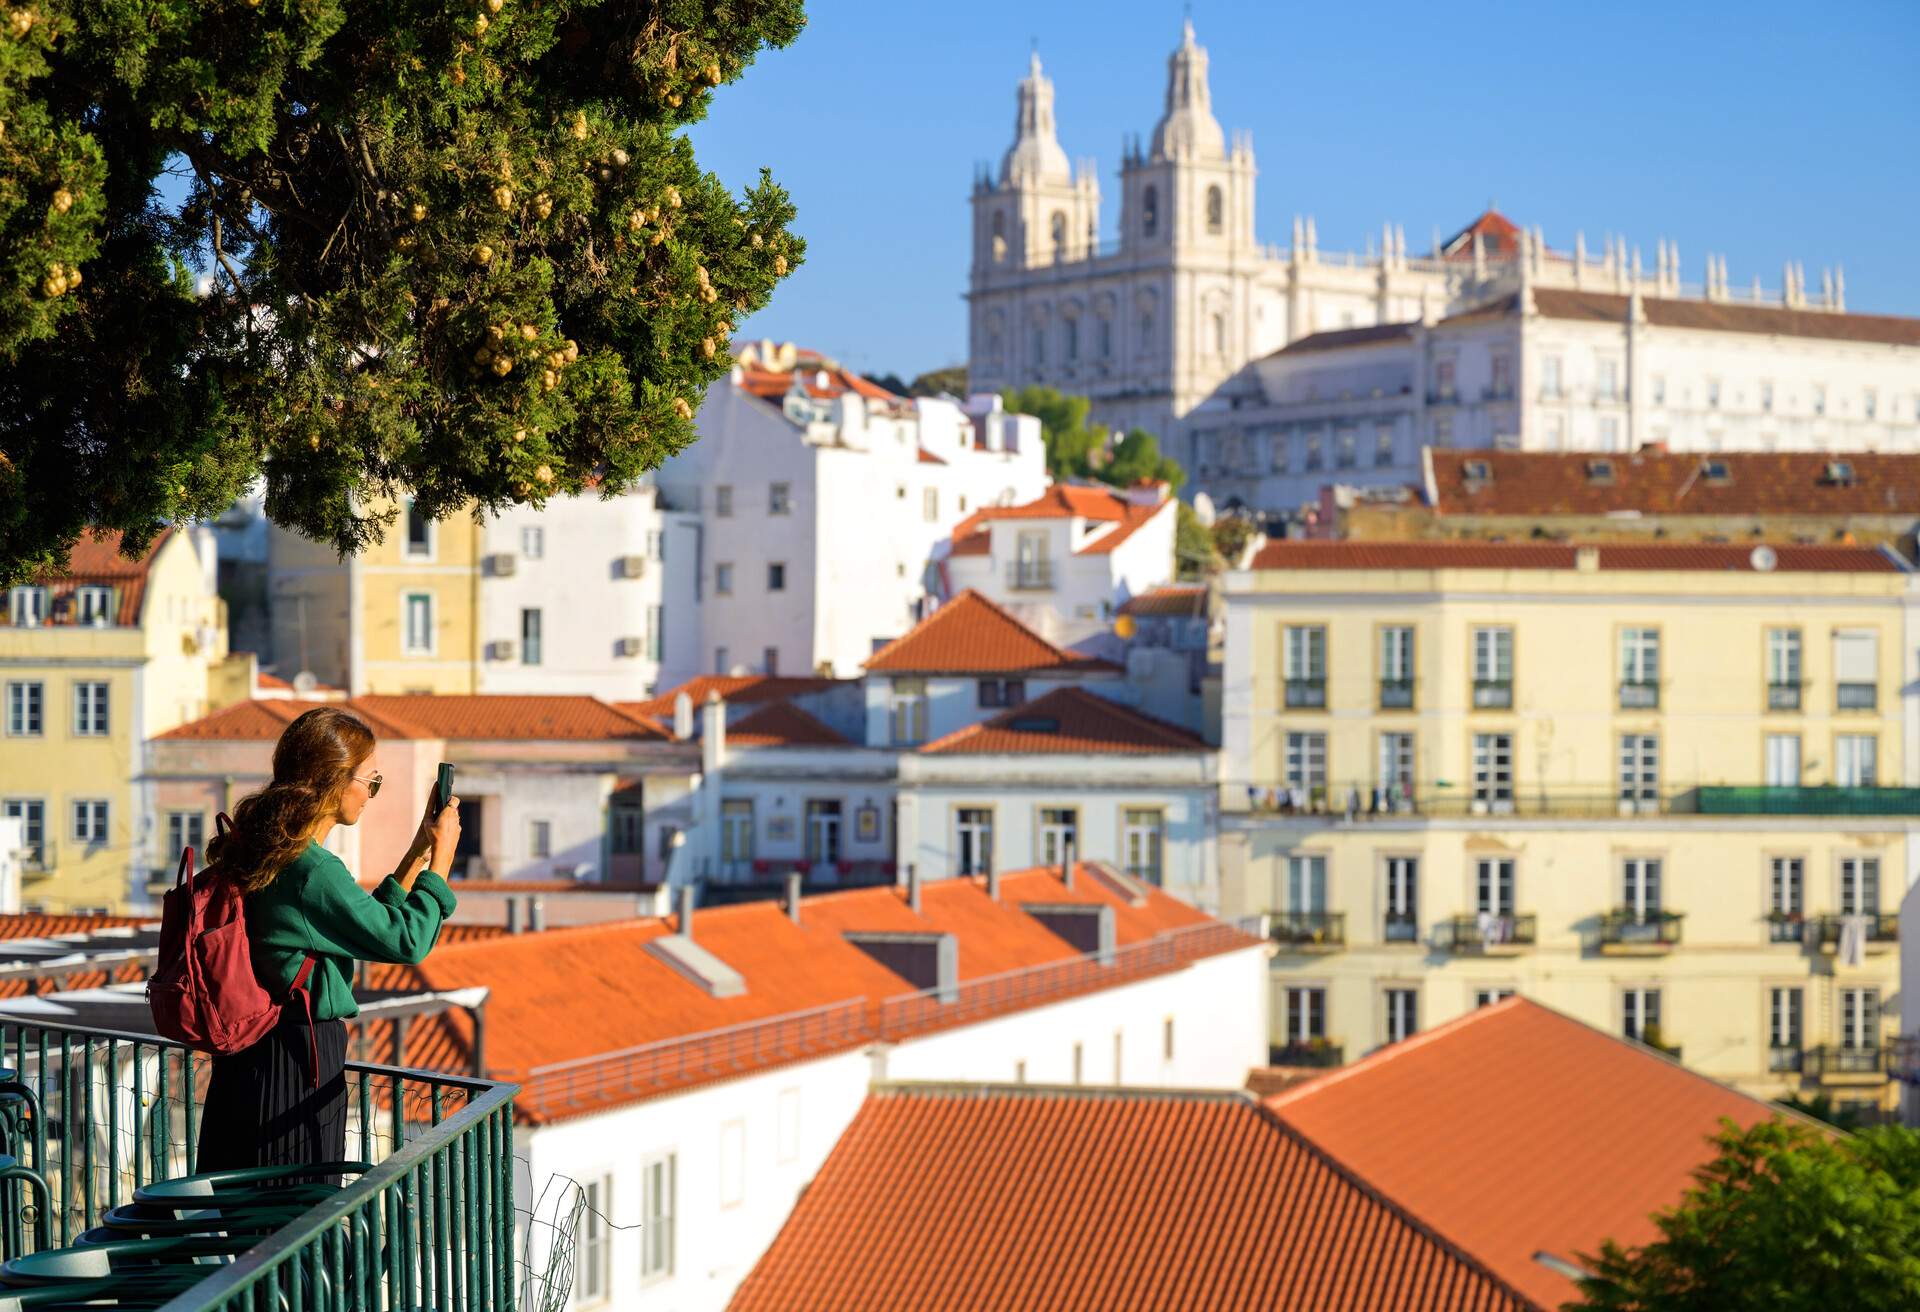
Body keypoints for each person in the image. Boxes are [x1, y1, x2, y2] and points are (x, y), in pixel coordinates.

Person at [196, 705, 461, 1172]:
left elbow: (357, 920)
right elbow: (405, 941)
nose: (371, 795)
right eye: (370, 781)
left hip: (248, 1055)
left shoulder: (268, 847)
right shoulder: (311, 869)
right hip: (299, 1058)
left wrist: (416, 854)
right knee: (296, 1210)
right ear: (335, 778)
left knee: (243, 1204)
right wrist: (441, 861)